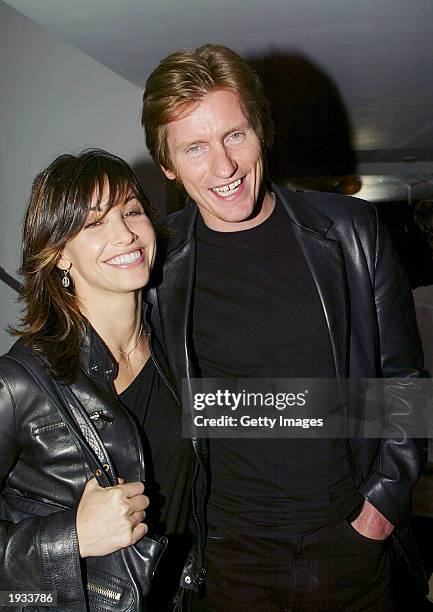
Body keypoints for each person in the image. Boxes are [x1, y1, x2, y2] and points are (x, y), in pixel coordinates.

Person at [141, 44, 429, 611]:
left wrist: (382, 504)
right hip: (228, 557)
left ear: (261, 133)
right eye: (194, 147)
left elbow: (402, 379)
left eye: (235, 136)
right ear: (168, 165)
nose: (222, 168)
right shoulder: (158, 262)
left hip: (350, 541)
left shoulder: (350, 232)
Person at [0, 149, 195, 610]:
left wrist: (393, 435)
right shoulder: (18, 382)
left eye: (131, 211)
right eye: (93, 224)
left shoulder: (177, 348)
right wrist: (70, 538)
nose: (125, 233)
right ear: (59, 255)